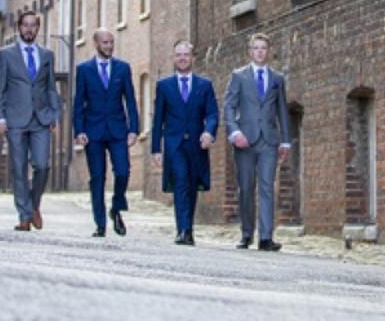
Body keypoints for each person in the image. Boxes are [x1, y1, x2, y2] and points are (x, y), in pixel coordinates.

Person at [222, 32, 291, 251]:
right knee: (246, 188)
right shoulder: (238, 76)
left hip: (268, 141)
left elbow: (282, 110)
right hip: (245, 140)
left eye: (263, 48)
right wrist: (234, 131)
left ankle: (266, 237)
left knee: (267, 187)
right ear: (250, 52)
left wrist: (286, 141)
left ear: (268, 52)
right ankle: (246, 233)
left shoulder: (277, 79)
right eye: (256, 48)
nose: (260, 52)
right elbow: (229, 106)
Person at [0, 11, 60, 232]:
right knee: (19, 169)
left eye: (33, 26)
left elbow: (51, 88)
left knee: (42, 165)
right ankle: (23, 215)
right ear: (19, 28)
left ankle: (34, 205)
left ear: (38, 28)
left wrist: (54, 114)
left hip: (41, 119)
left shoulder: (47, 55)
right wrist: (0, 117)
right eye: (25, 25)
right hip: (15, 120)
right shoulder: (6, 55)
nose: (29, 29)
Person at [73, 28, 140, 238]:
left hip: (117, 130)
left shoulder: (122, 68)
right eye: (105, 43)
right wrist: (79, 130)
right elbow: (78, 103)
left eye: (111, 42)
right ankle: (100, 223)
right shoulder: (84, 70)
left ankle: (116, 208)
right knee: (98, 177)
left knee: (122, 171)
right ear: (96, 44)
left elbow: (130, 100)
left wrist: (133, 129)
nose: (109, 46)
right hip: (93, 131)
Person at [152, 40, 219, 246]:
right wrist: (156, 149)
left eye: (186, 54)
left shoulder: (204, 85)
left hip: (196, 145)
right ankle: (183, 230)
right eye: (178, 55)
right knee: (180, 182)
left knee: (191, 186)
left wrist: (209, 132)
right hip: (174, 145)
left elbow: (213, 113)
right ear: (174, 58)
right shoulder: (164, 86)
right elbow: (158, 119)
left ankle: (188, 227)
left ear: (193, 58)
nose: (182, 58)